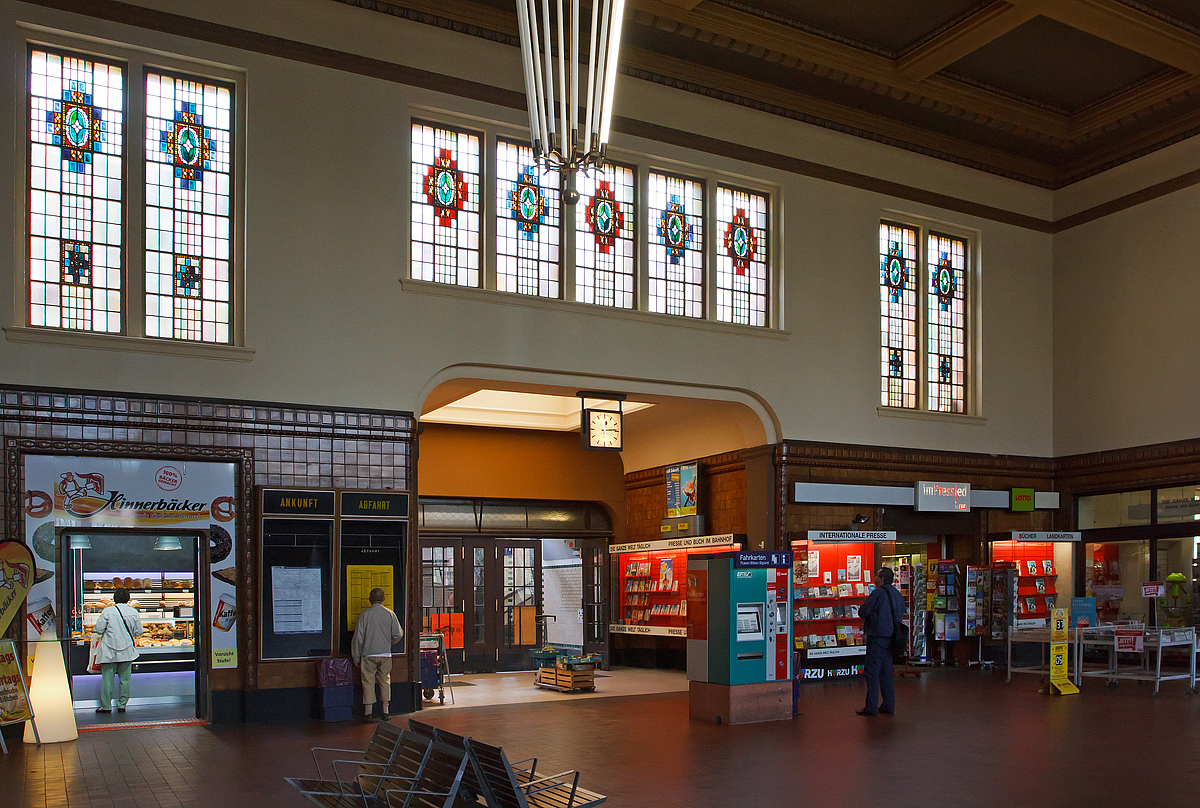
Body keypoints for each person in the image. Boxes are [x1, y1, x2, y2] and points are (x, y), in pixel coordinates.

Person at [856, 566, 906, 716]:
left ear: (882, 579)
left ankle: (871, 706)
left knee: (872, 671)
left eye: (876, 575)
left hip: (878, 636)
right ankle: (888, 704)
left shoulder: (878, 593)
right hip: (892, 637)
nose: (874, 577)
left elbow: (864, 611)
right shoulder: (898, 594)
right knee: (886, 672)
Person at [351, 587, 403, 722]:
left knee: (367, 682)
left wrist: (356, 656)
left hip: (368, 654)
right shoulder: (390, 614)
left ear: (370, 600)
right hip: (385, 654)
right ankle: (385, 711)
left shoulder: (365, 614)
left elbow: (358, 638)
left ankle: (368, 713)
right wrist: (388, 643)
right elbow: (398, 634)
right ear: (384, 599)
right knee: (385, 680)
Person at [92, 588, 143, 713]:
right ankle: (122, 705)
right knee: (125, 680)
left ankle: (106, 706)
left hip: (109, 650)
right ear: (128, 599)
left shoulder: (108, 611)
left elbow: (98, 629)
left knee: (107, 680)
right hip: (127, 650)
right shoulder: (133, 612)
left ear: (114, 599)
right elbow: (139, 632)